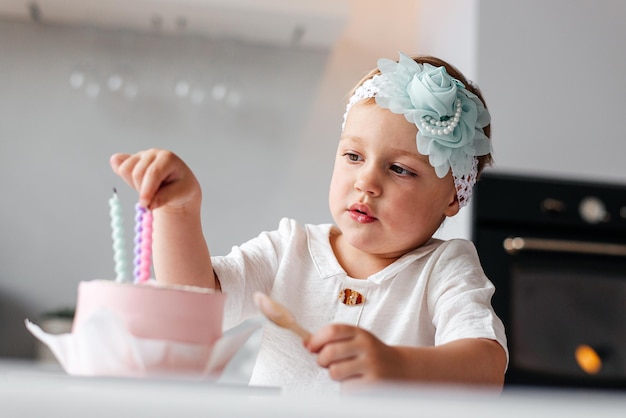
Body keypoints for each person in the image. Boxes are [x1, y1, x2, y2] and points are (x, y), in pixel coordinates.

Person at [110, 52, 508, 393]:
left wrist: (395, 365)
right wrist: (178, 212)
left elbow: (486, 367)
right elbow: (193, 304)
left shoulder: (446, 269)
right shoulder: (289, 250)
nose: (366, 182)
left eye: (400, 169)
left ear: (454, 195)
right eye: (353, 156)